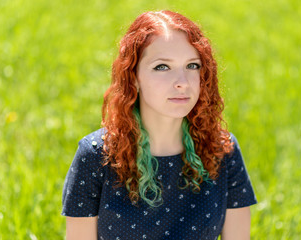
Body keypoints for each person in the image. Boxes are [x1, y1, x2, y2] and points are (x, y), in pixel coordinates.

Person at [61, 10, 257, 240]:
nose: (182, 82)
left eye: (192, 65)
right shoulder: (95, 155)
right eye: (162, 67)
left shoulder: (223, 150)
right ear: (133, 77)